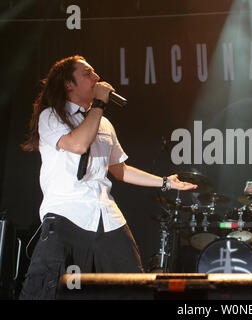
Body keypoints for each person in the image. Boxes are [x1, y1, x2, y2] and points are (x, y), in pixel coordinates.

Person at [19, 55, 197, 299]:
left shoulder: (104, 124)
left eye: (95, 73)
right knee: (48, 289)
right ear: (68, 84)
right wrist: (99, 105)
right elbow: (78, 144)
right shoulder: (51, 116)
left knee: (134, 287)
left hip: (107, 217)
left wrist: (166, 182)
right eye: (88, 73)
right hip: (66, 214)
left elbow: (120, 170)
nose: (96, 78)